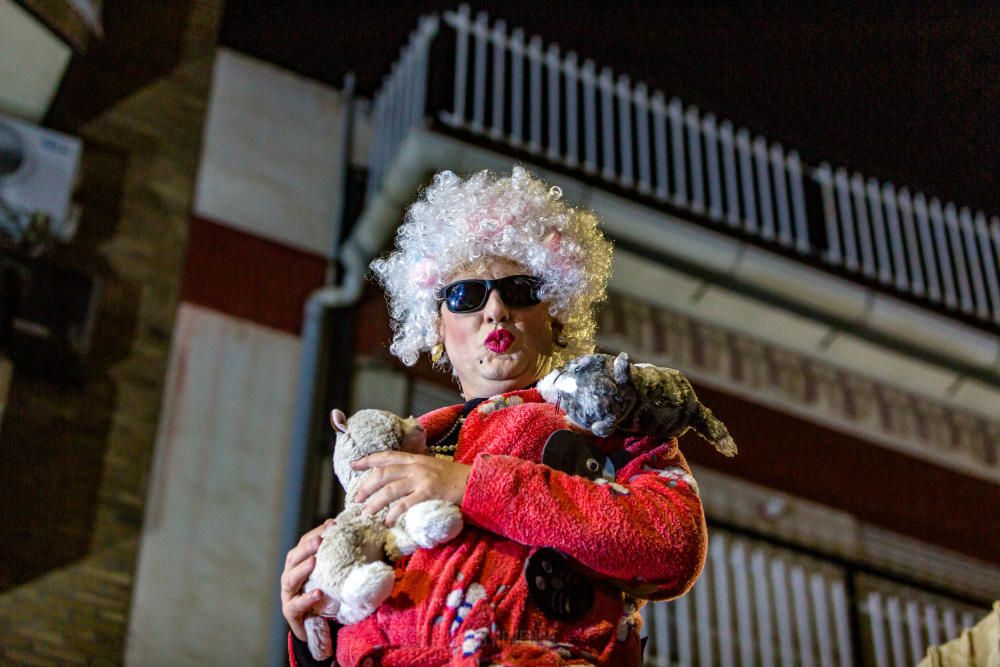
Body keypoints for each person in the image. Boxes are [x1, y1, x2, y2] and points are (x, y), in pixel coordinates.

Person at [280, 166, 708, 666]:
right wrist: (315, 627)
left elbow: (672, 544)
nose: (497, 309)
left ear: (557, 315)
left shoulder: (611, 412)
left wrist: (470, 486)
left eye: (521, 289)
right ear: (437, 325)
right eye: (466, 296)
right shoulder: (397, 451)